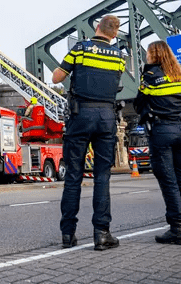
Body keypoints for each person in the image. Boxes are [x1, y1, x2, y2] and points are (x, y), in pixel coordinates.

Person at [52, 15, 125, 251]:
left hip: (80, 115)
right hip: (106, 118)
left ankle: (68, 235)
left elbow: (56, 77)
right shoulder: (119, 57)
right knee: (102, 177)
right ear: (115, 34)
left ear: (97, 27)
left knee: (73, 176)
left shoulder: (80, 48)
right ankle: (102, 234)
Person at [133, 40, 181, 244]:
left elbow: (138, 103)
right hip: (180, 131)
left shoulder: (150, 76)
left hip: (161, 131)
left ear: (153, 55)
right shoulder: (179, 76)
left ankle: (175, 229)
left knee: (169, 182)